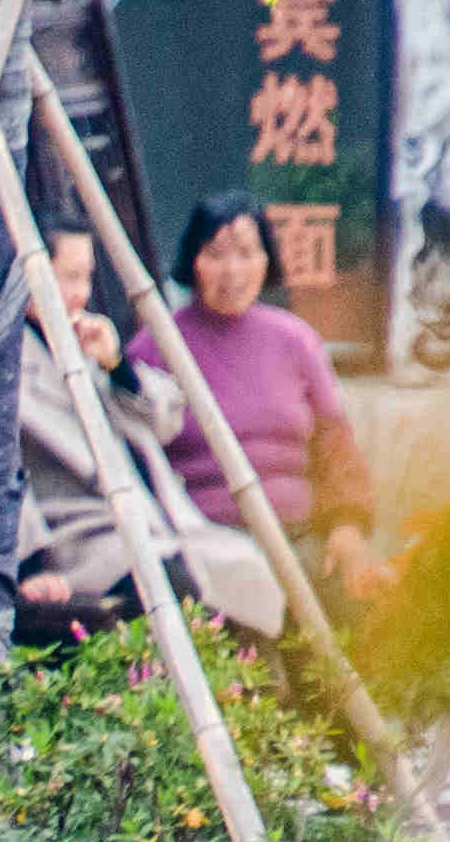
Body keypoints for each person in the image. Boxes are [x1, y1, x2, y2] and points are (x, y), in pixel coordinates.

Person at [16, 223, 281, 649]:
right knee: (178, 589)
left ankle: (262, 705)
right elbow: (5, 482)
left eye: (86, 277)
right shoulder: (7, 364)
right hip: (80, 537)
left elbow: (165, 422)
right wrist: (30, 566)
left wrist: (117, 365)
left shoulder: (81, 342)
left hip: (150, 519)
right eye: (68, 277)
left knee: (249, 569)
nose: (81, 293)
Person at [155, 191, 387, 598]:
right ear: (192, 261)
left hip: (298, 540)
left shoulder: (295, 339)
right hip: (199, 548)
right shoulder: (157, 344)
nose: (232, 271)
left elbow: (336, 445)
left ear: (267, 261)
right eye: (215, 254)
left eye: (246, 253)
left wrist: (347, 526)